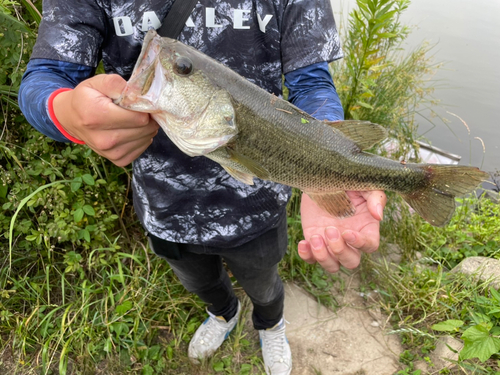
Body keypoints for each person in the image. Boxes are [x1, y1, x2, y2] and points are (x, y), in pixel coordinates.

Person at [19, 1, 386, 374]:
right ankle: (223, 314)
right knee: (199, 281)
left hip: (259, 209)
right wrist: (66, 112)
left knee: (264, 285)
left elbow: (312, 83)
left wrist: (331, 164)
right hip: (164, 208)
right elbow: (45, 78)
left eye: (179, 67)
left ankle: (271, 324)